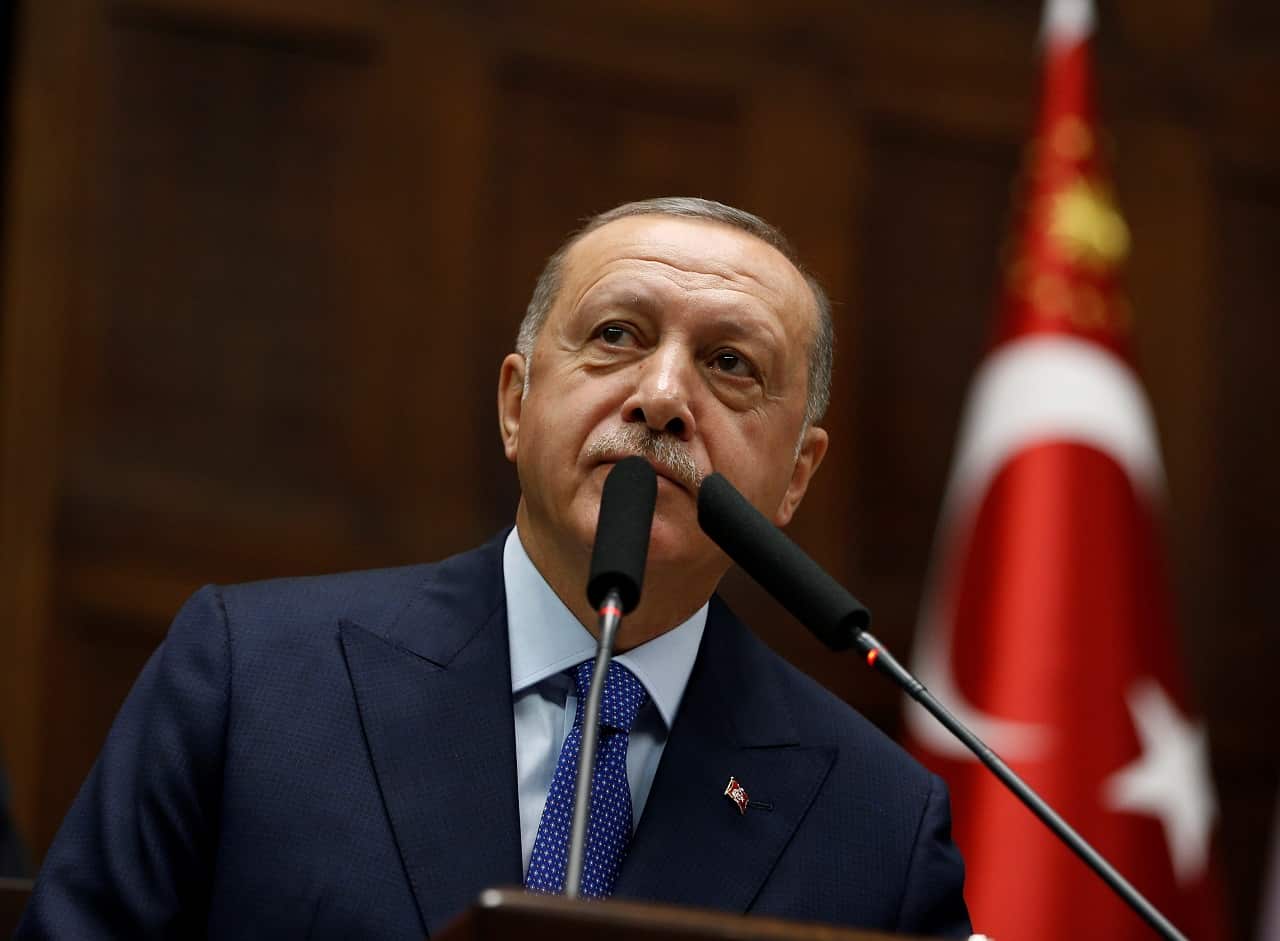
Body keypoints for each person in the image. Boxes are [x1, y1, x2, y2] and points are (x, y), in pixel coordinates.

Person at [19, 197, 970, 938]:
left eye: (729, 362)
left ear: (797, 473)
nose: (664, 398)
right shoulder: (251, 676)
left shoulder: (877, 819)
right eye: (616, 337)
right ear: (517, 406)